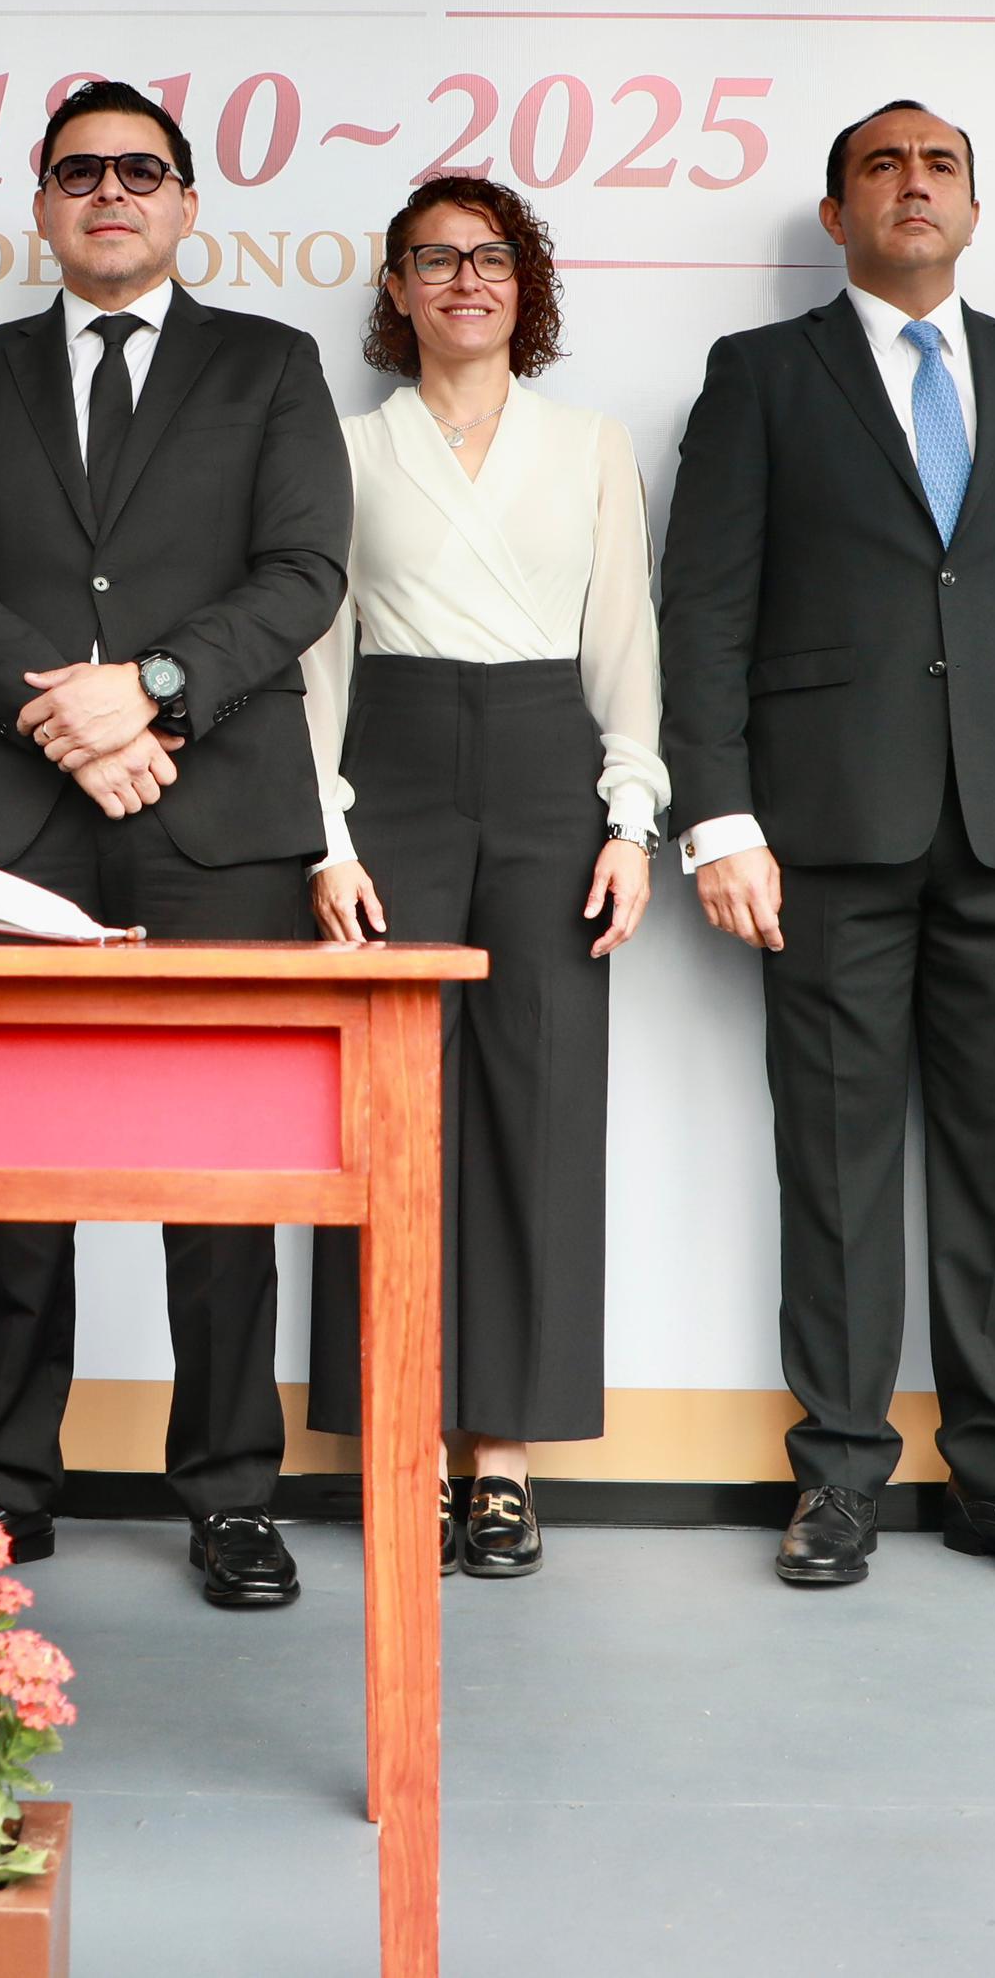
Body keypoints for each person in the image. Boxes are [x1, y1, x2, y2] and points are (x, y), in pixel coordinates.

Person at [658, 101, 995, 1595]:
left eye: (939, 165)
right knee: (835, 1160)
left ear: (974, 209)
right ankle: (838, 1477)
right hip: (821, 830)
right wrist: (718, 816)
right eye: (881, 165)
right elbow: (706, 606)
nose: (913, 184)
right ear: (836, 213)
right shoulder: (759, 374)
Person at [0, 79, 350, 1610]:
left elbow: (304, 570)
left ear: (186, 203)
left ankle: (231, 1492)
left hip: (219, 813)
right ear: (42, 203)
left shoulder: (270, 365)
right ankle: (0, 1477)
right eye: (80, 170)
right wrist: (67, 718)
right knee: (6, 1158)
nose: (110, 192)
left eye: (140, 170)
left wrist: (148, 688)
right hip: (11, 817)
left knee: (222, 1173)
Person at [301, 178, 663, 1580]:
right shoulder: (344, 448)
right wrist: (327, 837)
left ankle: (500, 1460)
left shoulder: (589, 444)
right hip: (387, 770)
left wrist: (629, 817)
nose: (466, 278)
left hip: (545, 768)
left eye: (492, 255)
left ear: (528, 282)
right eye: (435, 257)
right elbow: (315, 659)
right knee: (390, 1109)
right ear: (396, 288)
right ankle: (398, 1444)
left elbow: (624, 638)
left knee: (538, 1105)